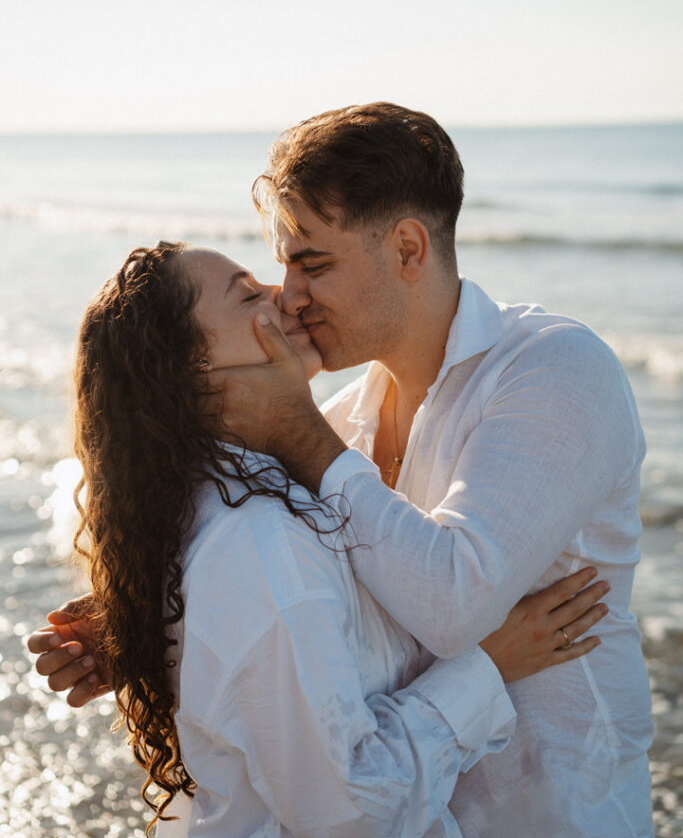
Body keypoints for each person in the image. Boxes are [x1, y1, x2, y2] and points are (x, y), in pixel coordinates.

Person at [31, 100, 653, 835]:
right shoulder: (343, 421)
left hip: (554, 815)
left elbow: (454, 606)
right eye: (281, 266)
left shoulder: (552, 370)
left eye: (313, 264)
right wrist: (153, 626)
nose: (290, 296)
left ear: (408, 250)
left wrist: (300, 434)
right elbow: (303, 612)